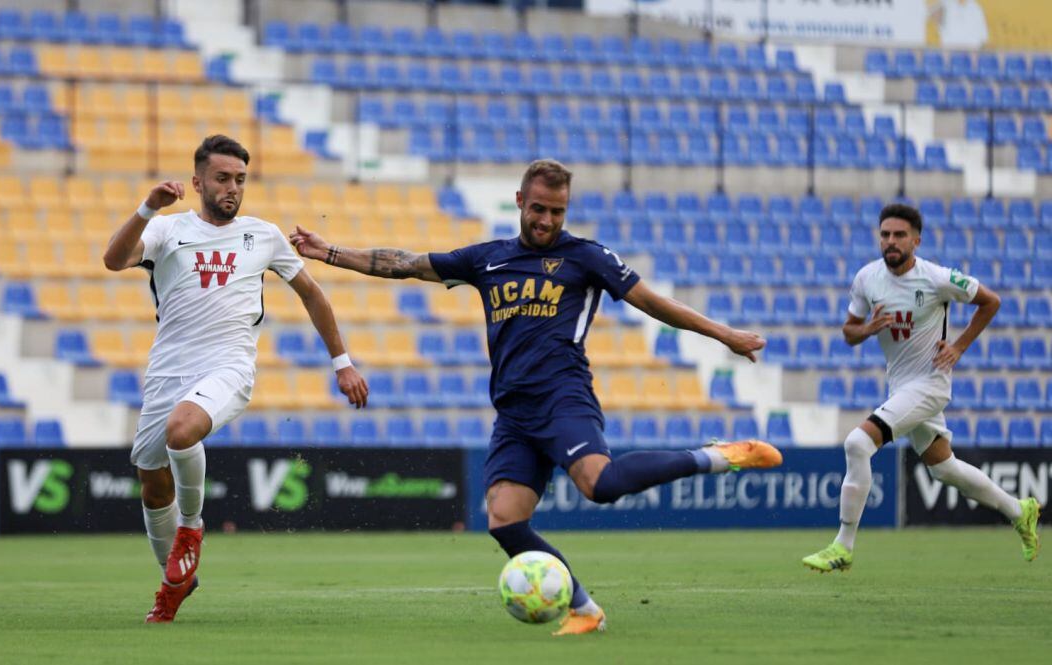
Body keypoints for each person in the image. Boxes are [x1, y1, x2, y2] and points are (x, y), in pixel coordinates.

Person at [290, 159, 783, 636]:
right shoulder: (486, 259)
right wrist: (329, 252)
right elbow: (403, 264)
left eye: (558, 211)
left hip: (562, 397)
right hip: (513, 413)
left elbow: (653, 302)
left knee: (601, 485)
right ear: (521, 202)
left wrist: (724, 334)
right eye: (540, 209)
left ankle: (716, 456)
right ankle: (585, 609)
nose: (548, 219)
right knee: (504, 521)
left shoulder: (586, 257)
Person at [103, 135, 369, 623]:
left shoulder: (261, 235)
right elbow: (114, 260)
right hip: (167, 370)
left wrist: (342, 362)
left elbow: (312, 294)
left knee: (182, 431)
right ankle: (174, 579)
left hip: (229, 365)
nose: (233, 188)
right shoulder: (168, 230)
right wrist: (146, 207)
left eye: (240, 180)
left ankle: (191, 530)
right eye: (223, 178)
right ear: (199, 180)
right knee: (151, 481)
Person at [802, 203, 1040, 573]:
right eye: (885, 235)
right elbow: (849, 331)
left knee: (857, 443)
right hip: (900, 385)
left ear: (916, 239)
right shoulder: (867, 278)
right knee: (943, 468)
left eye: (899, 235)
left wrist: (959, 347)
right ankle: (1018, 510)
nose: (891, 242)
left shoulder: (937, 278)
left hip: (930, 384)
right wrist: (867, 330)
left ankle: (842, 546)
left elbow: (990, 301)